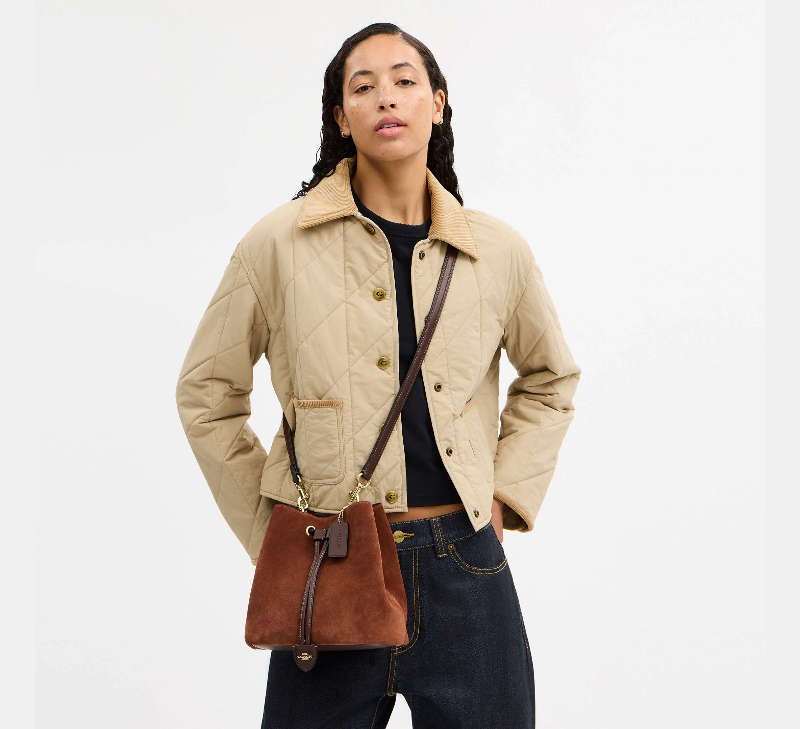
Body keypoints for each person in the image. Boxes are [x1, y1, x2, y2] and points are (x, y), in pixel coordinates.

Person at [175, 22, 581, 729]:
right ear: (341, 117)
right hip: (330, 563)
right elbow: (206, 394)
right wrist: (271, 531)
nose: (386, 98)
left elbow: (551, 377)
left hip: (467, 566)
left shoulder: (497, 251)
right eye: (362, 87)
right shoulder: (276, 243)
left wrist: (504, 497)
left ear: (438, 104)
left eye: (404, 81)